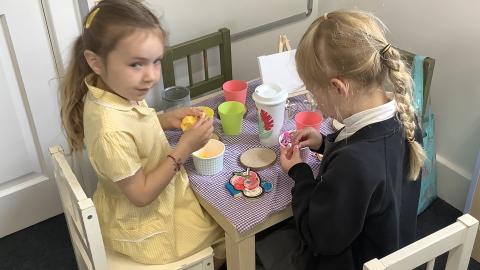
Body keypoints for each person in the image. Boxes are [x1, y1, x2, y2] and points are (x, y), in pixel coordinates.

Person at [58, 0, 225, 268]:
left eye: (156, 62)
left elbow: (133, 127)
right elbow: (141, 195)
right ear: (95, 62)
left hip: (140, 201)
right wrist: (184, 148)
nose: (152, 77)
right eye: (136, 64)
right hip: (148, 225)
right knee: (228, 228)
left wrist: (164, 120)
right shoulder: (109, 129)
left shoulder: (117, 92)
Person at [261, 10, 425, 270]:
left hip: (354, 261)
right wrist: (326, 144)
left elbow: (319, 237)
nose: (316, 104)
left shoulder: (353, 163)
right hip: (390, 247)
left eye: (314, 94)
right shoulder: (405, 118)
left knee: (264, 248)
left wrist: (300, 172)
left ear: (338, 87)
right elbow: (375, 166)